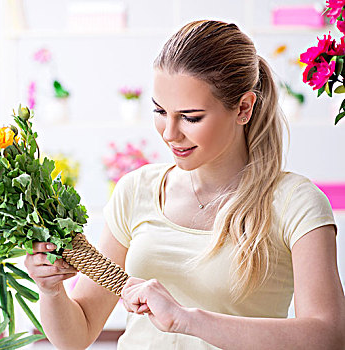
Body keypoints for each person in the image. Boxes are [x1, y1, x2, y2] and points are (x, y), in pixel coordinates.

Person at [24, 20, 345, 349]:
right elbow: (76, 337)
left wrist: (186, 319)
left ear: (244, 108)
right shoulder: (136, 190)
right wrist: (51, 291)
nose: (169, 133)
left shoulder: (296, 203)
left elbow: (328, 336)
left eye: (191, 117)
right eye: (160, 111)